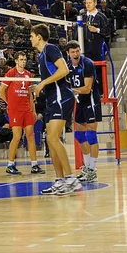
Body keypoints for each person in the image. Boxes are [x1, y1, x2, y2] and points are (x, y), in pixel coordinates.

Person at [30, 24, 81, 195]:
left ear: (38, 36)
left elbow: (64, 70)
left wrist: (43, 83)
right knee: (49, 140)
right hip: (52, 99)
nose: (30, 38)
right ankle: (60, 180)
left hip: (62, 97)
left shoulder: (50, 48)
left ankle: (71, 179)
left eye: (32, 35)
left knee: (53, 137)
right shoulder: (41, 55)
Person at [0, 51, 44, 175]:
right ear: (16, 61)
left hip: (27, 109)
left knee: (30, 135)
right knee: (17, 136)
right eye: (21, 59)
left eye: (25, 59)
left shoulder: (28, 75)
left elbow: (30, 95)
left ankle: (34, 165)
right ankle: (10, 165)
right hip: (15, 110)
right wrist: (10, 103)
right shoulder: (11, 73)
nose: (23, 61)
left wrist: (33, 110)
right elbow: (1, 91)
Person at [67, 41, 101, 182]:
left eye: (77, 51)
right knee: (79, 136)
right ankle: (86, 167)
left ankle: (93, 169)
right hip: (79, 102)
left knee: (91, 135)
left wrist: (70, 91)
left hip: (91, 101)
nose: (75, 54)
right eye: (73, 52)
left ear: (80, 50)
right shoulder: (67, 66)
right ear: (68, 53)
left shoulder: (87, 64)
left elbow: (87, 89)